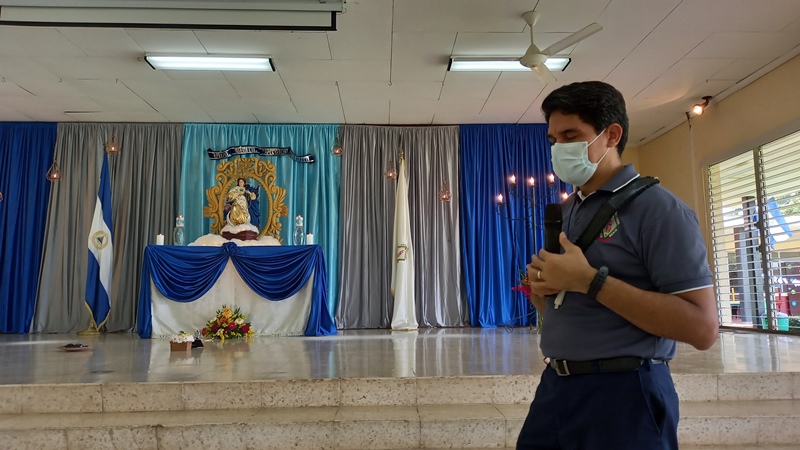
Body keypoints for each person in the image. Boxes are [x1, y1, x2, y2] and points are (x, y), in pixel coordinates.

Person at [517, 81, 718, 450]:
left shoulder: (659, 210)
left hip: (625, 394)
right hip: (557, 386)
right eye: (553, 140)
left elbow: (702, 329)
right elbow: (568, 307)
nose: (559, 149)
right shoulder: (567, 210)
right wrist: (543, 288)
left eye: (570, 136)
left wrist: (590, 281)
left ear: (611, 135)